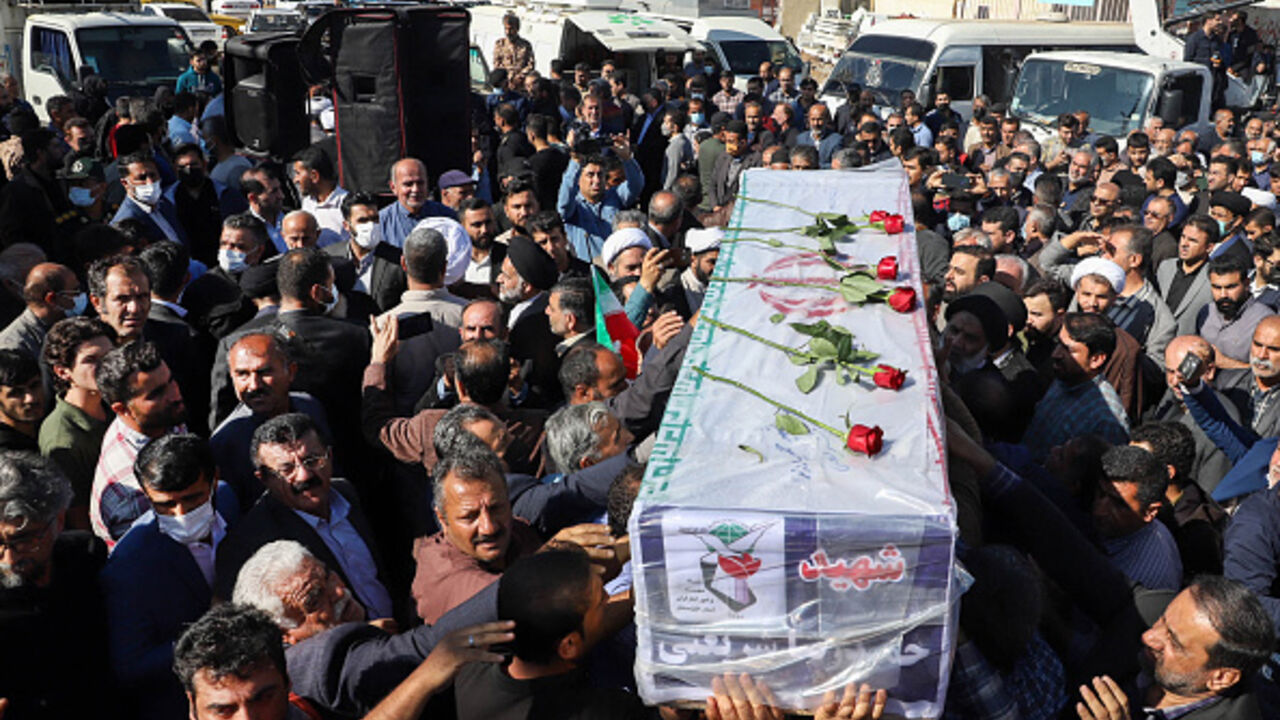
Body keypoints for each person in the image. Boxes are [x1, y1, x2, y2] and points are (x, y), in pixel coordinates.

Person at [101, 434, 238, 720]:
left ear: (213, 480)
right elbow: (132, 665)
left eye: (193, 499)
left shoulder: (227, 500)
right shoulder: (129, 567)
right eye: (165, 505)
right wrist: (209, 635)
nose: (181, 514)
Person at [213, 412, 395, 622]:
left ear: (330, 456)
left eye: (312, 460)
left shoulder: (348, 494)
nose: (304, 475)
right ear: (264, 479)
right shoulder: (251, 544)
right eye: (287, 469)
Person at [453, 549, 646, 720]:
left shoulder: (471, 671)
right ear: (568, 647)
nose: (608, 597)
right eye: (600, 601)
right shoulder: (609, 710)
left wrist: (636, 598)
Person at [0, 451, 113, 719]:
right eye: (1, 544)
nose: (9, 557)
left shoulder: (85, 558)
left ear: (58, 521)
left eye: (25, 540)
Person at [210, 333, 330, 510]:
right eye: (242, 374)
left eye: (264, 372)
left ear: (291, 371)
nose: (254, 385)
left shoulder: (310, 407)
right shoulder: (226, 442)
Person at [89, 340, 187, 548]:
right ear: (122, 410)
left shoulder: (162, 419)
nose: (174, 395)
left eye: (171, 381)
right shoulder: (132, 494)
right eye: (156, 394)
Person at [1022, 312, 1129, 460]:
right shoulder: (1063, 379)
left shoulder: (1106, 420)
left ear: (1096, 359)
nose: (1056, 354)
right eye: (1059, 344)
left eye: (1069, 350)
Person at [558, 141, 644, 262]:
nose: (596, 180)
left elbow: (636, 186)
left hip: (614, 267)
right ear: (578, 179)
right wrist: (575, 162)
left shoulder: (615, 196)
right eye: (590, 175)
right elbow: (564, 203)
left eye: (600, 175)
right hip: (587, 271)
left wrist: (627, 158)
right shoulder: (574, 205)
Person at [167, 142, 248, 267]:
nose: (189, 170)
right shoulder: (168, 200)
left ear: (204, 165)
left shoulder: (225, 194)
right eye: (182, 167)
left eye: (193, 164)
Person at [324, 192, 407, 314]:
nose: (371, 226)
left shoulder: (397, 259)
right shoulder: (329, 257)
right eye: (362, 220)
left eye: (374, 219)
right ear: (347, 225)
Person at [1198, 254, 1275, 365]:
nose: (1223, 294)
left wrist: (1227, 363)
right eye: (1217, 287)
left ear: (1246, 284)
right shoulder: (1206, 313)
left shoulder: (1265, 321)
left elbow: (1271, 371)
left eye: (1230, 287)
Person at [0, 262, 80, 363]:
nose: (79, 296)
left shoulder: (73, 325)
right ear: (51, 299)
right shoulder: (14, 347)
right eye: (75, 291)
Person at [1158, 215, 1219, 335]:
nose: (1184, 244)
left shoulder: (1214, 278)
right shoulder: (1165, 267)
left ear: (1209, 247)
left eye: (1193, 240)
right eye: (1183, 237)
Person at [111, 152, 188, 246]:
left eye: (153, 175)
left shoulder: (164, 204)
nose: (150, 182)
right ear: (125, 183)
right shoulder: (125, 222)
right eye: (142, 178)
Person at [379, 158, 457, 249]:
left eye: (420, 183)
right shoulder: (382, 223)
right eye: (408, 184)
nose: (415, 189)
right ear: (393, 187)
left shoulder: (447, 217)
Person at [292, 145, 347, 246]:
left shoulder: (346, 204)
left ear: (314, 176)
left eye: (298, 173)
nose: (295, 180)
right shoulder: (308, 203)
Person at [0, 350, 43, 452]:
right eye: (16, 393)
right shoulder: (5, 452)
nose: (30, 398)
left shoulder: (46, 428)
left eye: (34, 386)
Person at [243, 164, 287, 253]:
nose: (281, 196)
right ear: (253, 198)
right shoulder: (245, 230)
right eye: (273, 192)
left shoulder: (292, 216)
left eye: (280, 189)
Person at [492, 13, 534, 86]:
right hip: (504, 85)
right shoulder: (500, 44)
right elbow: (497, 64)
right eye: (506, 29)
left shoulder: (526, 45)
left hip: (521, 85)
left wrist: (519, 77)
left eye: (511, 29)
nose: (508, 32)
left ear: (517, 29)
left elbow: (530, 65)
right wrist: (509, 78)